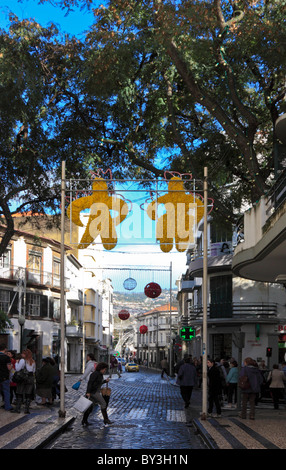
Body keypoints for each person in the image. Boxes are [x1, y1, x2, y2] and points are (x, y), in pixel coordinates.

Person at [11, 349, 35, 414]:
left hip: (23, 378)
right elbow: (33, 371)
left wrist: (16, 362)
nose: (21, 354)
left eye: (22, 353)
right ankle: (26, 409)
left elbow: (18, 369)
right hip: (30, 378)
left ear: (24, 354)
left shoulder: (22, 360)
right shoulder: (32, 361)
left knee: (19, 393)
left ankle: (18, 409)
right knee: (28, 394)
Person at [0, 344, 13, 411]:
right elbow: (9, 368)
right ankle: (7, 406)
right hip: (4, 377)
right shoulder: (6, 357)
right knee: (6, 392)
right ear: (4, 349)